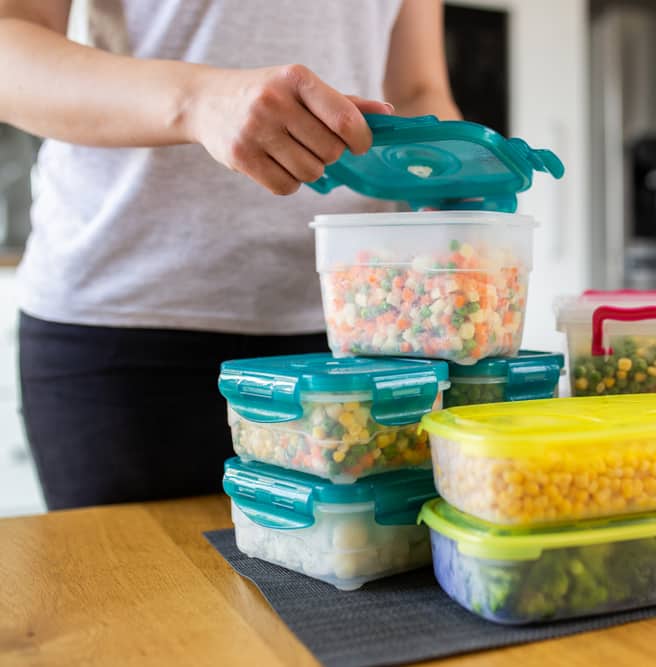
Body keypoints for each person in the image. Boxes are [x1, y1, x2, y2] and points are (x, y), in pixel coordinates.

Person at [0, 0, 461, 510]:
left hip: (362, 328)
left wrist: (461, 190)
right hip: (125, 320)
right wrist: (201, 99)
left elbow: (414, 88)